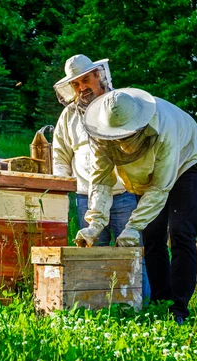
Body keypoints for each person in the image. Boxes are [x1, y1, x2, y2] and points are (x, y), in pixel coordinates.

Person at [76, 88, 197, 324]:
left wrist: (132, 226)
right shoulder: (100, 136)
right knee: (152, 236)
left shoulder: (164, 131)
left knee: (180, 232)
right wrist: (94, 223)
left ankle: (178, 309)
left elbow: (160, 188)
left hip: (186, 161)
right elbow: (101, 181)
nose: (120, 141)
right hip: (144, 178)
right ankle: (160, 302)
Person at [51, 54, 150, 301]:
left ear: (98, 75)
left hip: (123, 193)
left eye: (85, 80)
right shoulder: (68, 116)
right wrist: (61, 189)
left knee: (134, 253)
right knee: (94, 256)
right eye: (76, 84)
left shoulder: (119, 104)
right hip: (85, 197)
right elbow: (61, 155)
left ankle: (144, 303)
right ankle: (102, 305)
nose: (82, 88)